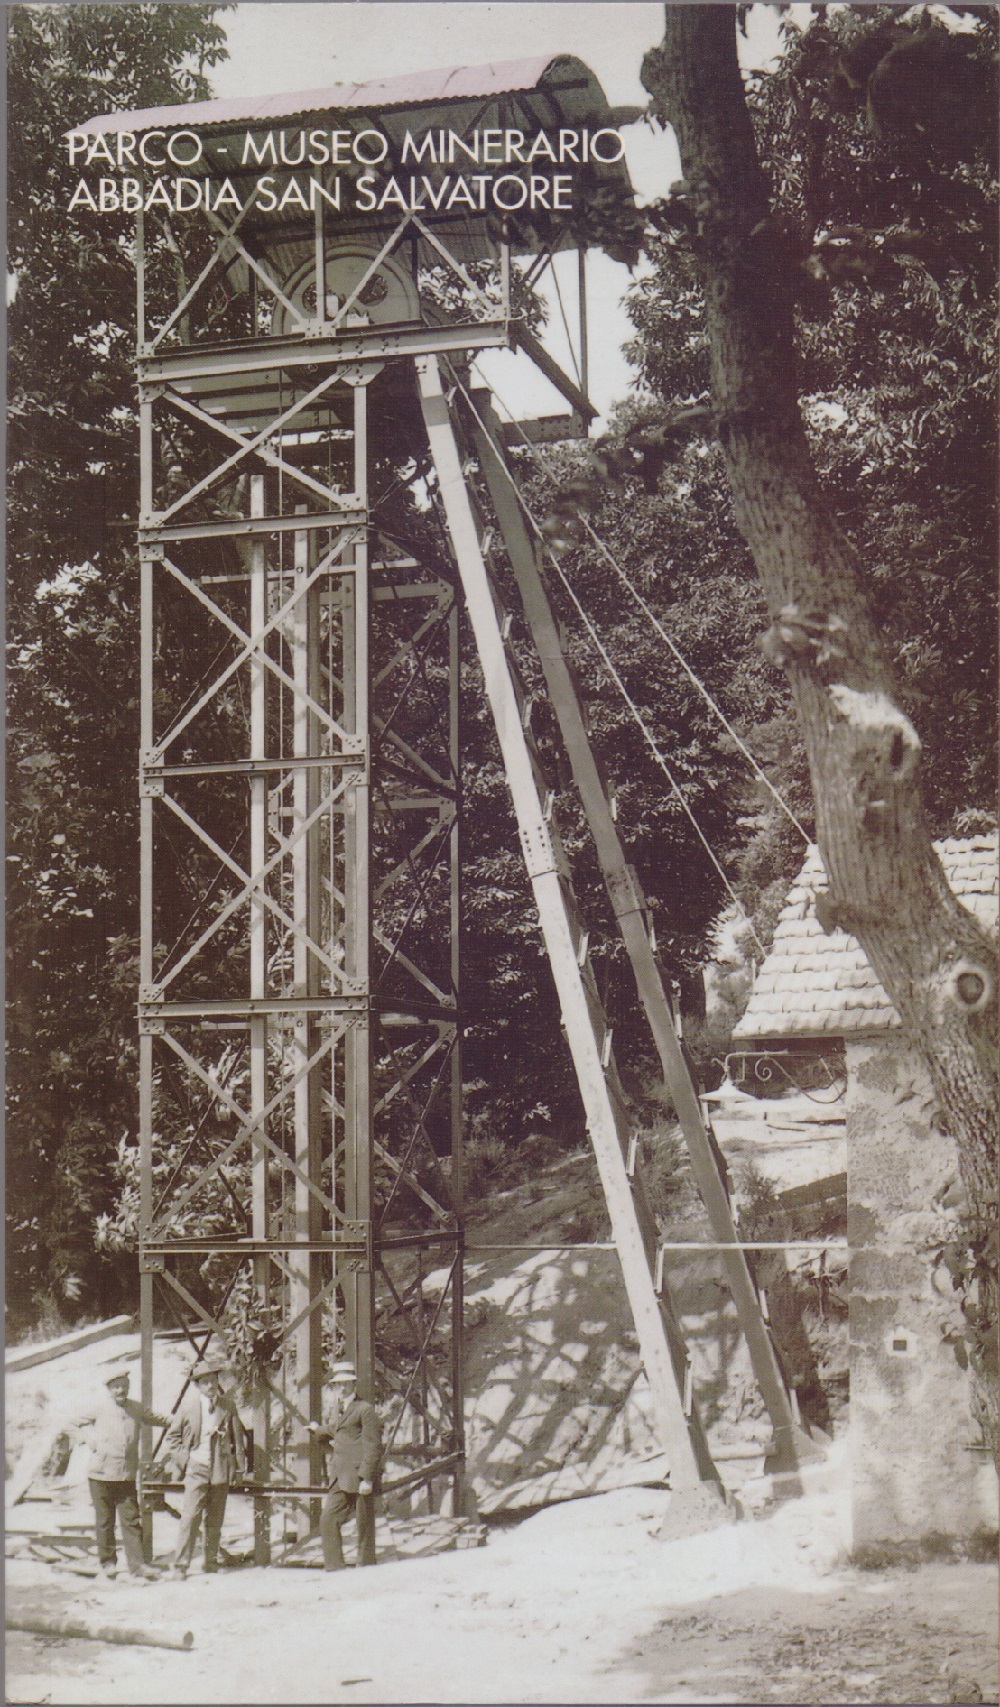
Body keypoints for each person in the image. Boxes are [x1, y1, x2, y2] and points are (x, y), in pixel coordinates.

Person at [164, 1356, 246, 1578]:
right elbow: (172, 1438)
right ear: (198, 1386)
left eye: (213, 1381)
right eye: (205, 1383)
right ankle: (181, 1566)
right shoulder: (188, 1407)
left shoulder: (227, 1406)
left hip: (220, 1468)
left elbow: (238, 1440)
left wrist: (239, 1469)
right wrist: (186, 1460)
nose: (210, 1386)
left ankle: (210, 1562)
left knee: (215, 1519)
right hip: (197, 1468)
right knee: (190, 1517)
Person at [87, 1367, 167, 1582]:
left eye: (123, 1386)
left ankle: (137, 1565)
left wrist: (180, 1422)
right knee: (105, 1521)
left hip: (126, 1475)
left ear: (128, 1387)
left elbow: (156, 1418)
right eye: (115, 1387)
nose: (120, 1390)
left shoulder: (136, 1408)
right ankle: (108, 1563)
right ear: (109, 1390)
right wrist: (86, 1438)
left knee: (131, 1520)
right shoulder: (98, 1409)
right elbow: (70, 1424)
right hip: (100, 1475)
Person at [309, 1361, 383, 1570]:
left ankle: (365, 1566)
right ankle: (335, 1568)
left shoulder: (365, 1410)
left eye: (346, 1383)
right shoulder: (339, 1409)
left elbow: (374, 1446)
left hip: (359, 1475)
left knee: (364, 1524)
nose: (342, 1388)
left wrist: (367, 1477)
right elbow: (337, 1430)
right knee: (328, 1519)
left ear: (354, 1384)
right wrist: (317, 1430)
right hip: (340, 1475)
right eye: (338, 1384)